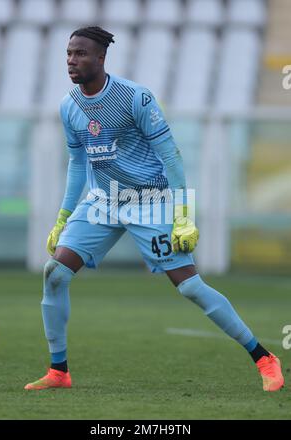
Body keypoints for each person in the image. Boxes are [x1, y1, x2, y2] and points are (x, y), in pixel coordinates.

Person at [24, 26, 284, 392]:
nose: (71, 60)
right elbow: (78, 163)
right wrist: (64, 216)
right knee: (54, 273)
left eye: (80, 53)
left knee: (191, 288)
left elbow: (171, 156)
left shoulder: (135, 98)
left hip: (150, 201)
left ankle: (264, 357)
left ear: (100, 58)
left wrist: (182, 214)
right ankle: (58, 371)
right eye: (68, 53)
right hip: (104, 201)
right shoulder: (69, 106)